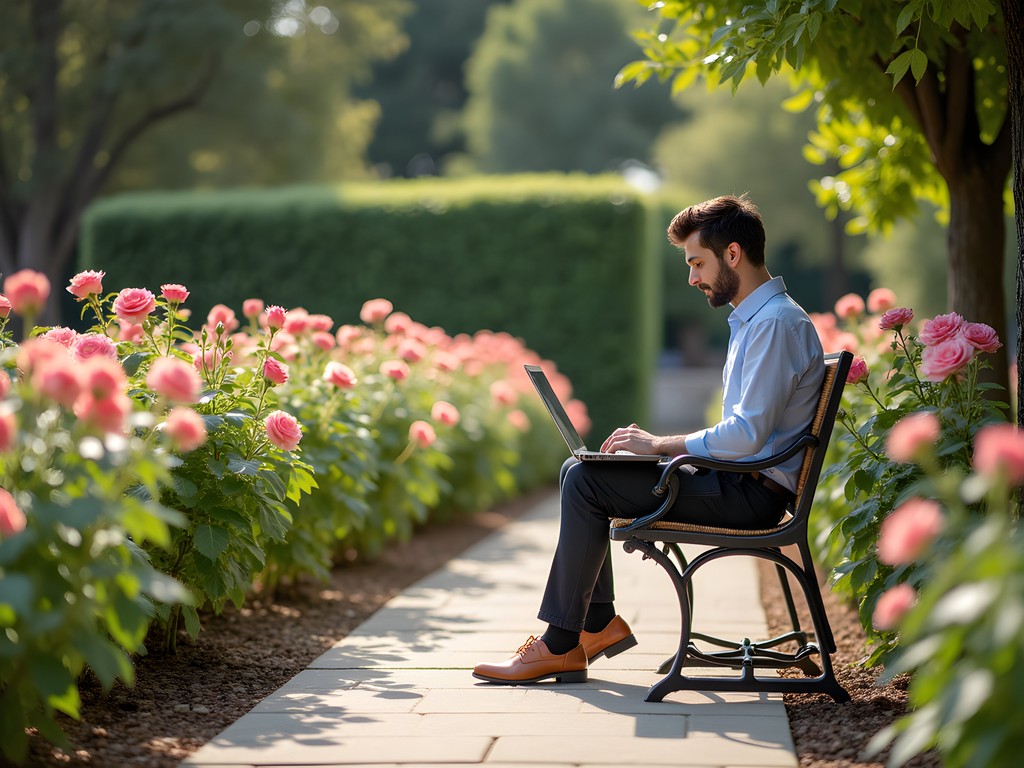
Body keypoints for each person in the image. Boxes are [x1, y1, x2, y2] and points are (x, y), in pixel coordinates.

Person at [472, 194, 825, 685]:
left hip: (748, 495)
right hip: (736, 483)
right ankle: (593, 626)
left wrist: (660, 445)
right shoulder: (760, 319)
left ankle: (563, 642)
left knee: (585, 483)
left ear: (733, 255)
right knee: (579, 470)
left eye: (697, 262)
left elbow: (747, 435)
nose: (692, 277)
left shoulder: (773, 324)